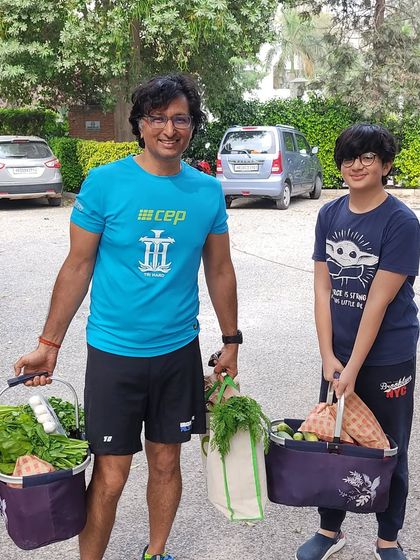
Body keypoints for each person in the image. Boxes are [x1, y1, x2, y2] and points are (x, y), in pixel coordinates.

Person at [14, 73, 241, 560]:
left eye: (181, 119)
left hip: (178, 351)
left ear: (192, 127)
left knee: (165, 463)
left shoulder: (206, 191)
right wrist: (49, 344)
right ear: (140, 125)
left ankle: (156, 552)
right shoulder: (105, 183)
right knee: (111, 475)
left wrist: (232, 341)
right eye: (157, 118)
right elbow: (77, 266)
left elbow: (220, 269)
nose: (169, 129)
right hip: (115, 353)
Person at [296, 124, 420, 560]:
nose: (357, 164)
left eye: (368, 157)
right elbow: (322, 289)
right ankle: (330, 531)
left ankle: (389, 537)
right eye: (349, 157)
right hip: (339, 356)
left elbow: (378, 303)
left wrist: (351, 369)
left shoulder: (402, 222)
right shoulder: (329, 215)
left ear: (386, 165)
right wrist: (329, 356)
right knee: (334, 440)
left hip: (388, 357)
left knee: (389, 446)